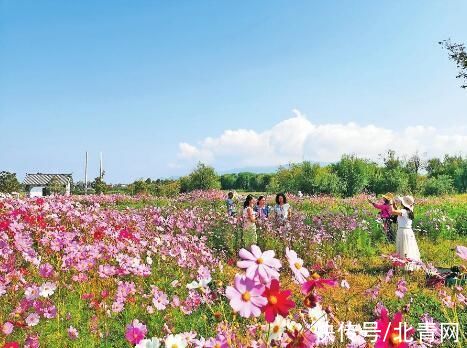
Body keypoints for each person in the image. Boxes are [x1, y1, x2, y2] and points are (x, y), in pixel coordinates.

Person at [391, 195, 421, 271]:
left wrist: (391, 204)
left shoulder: (403, 211)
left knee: (403, 248)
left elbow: (393, 212)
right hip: (408, 231)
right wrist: (394, 205)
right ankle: (409, 265)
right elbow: (397, 212)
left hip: (403, 231)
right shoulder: (409, 211)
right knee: (408, 248)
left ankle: (404, 266)